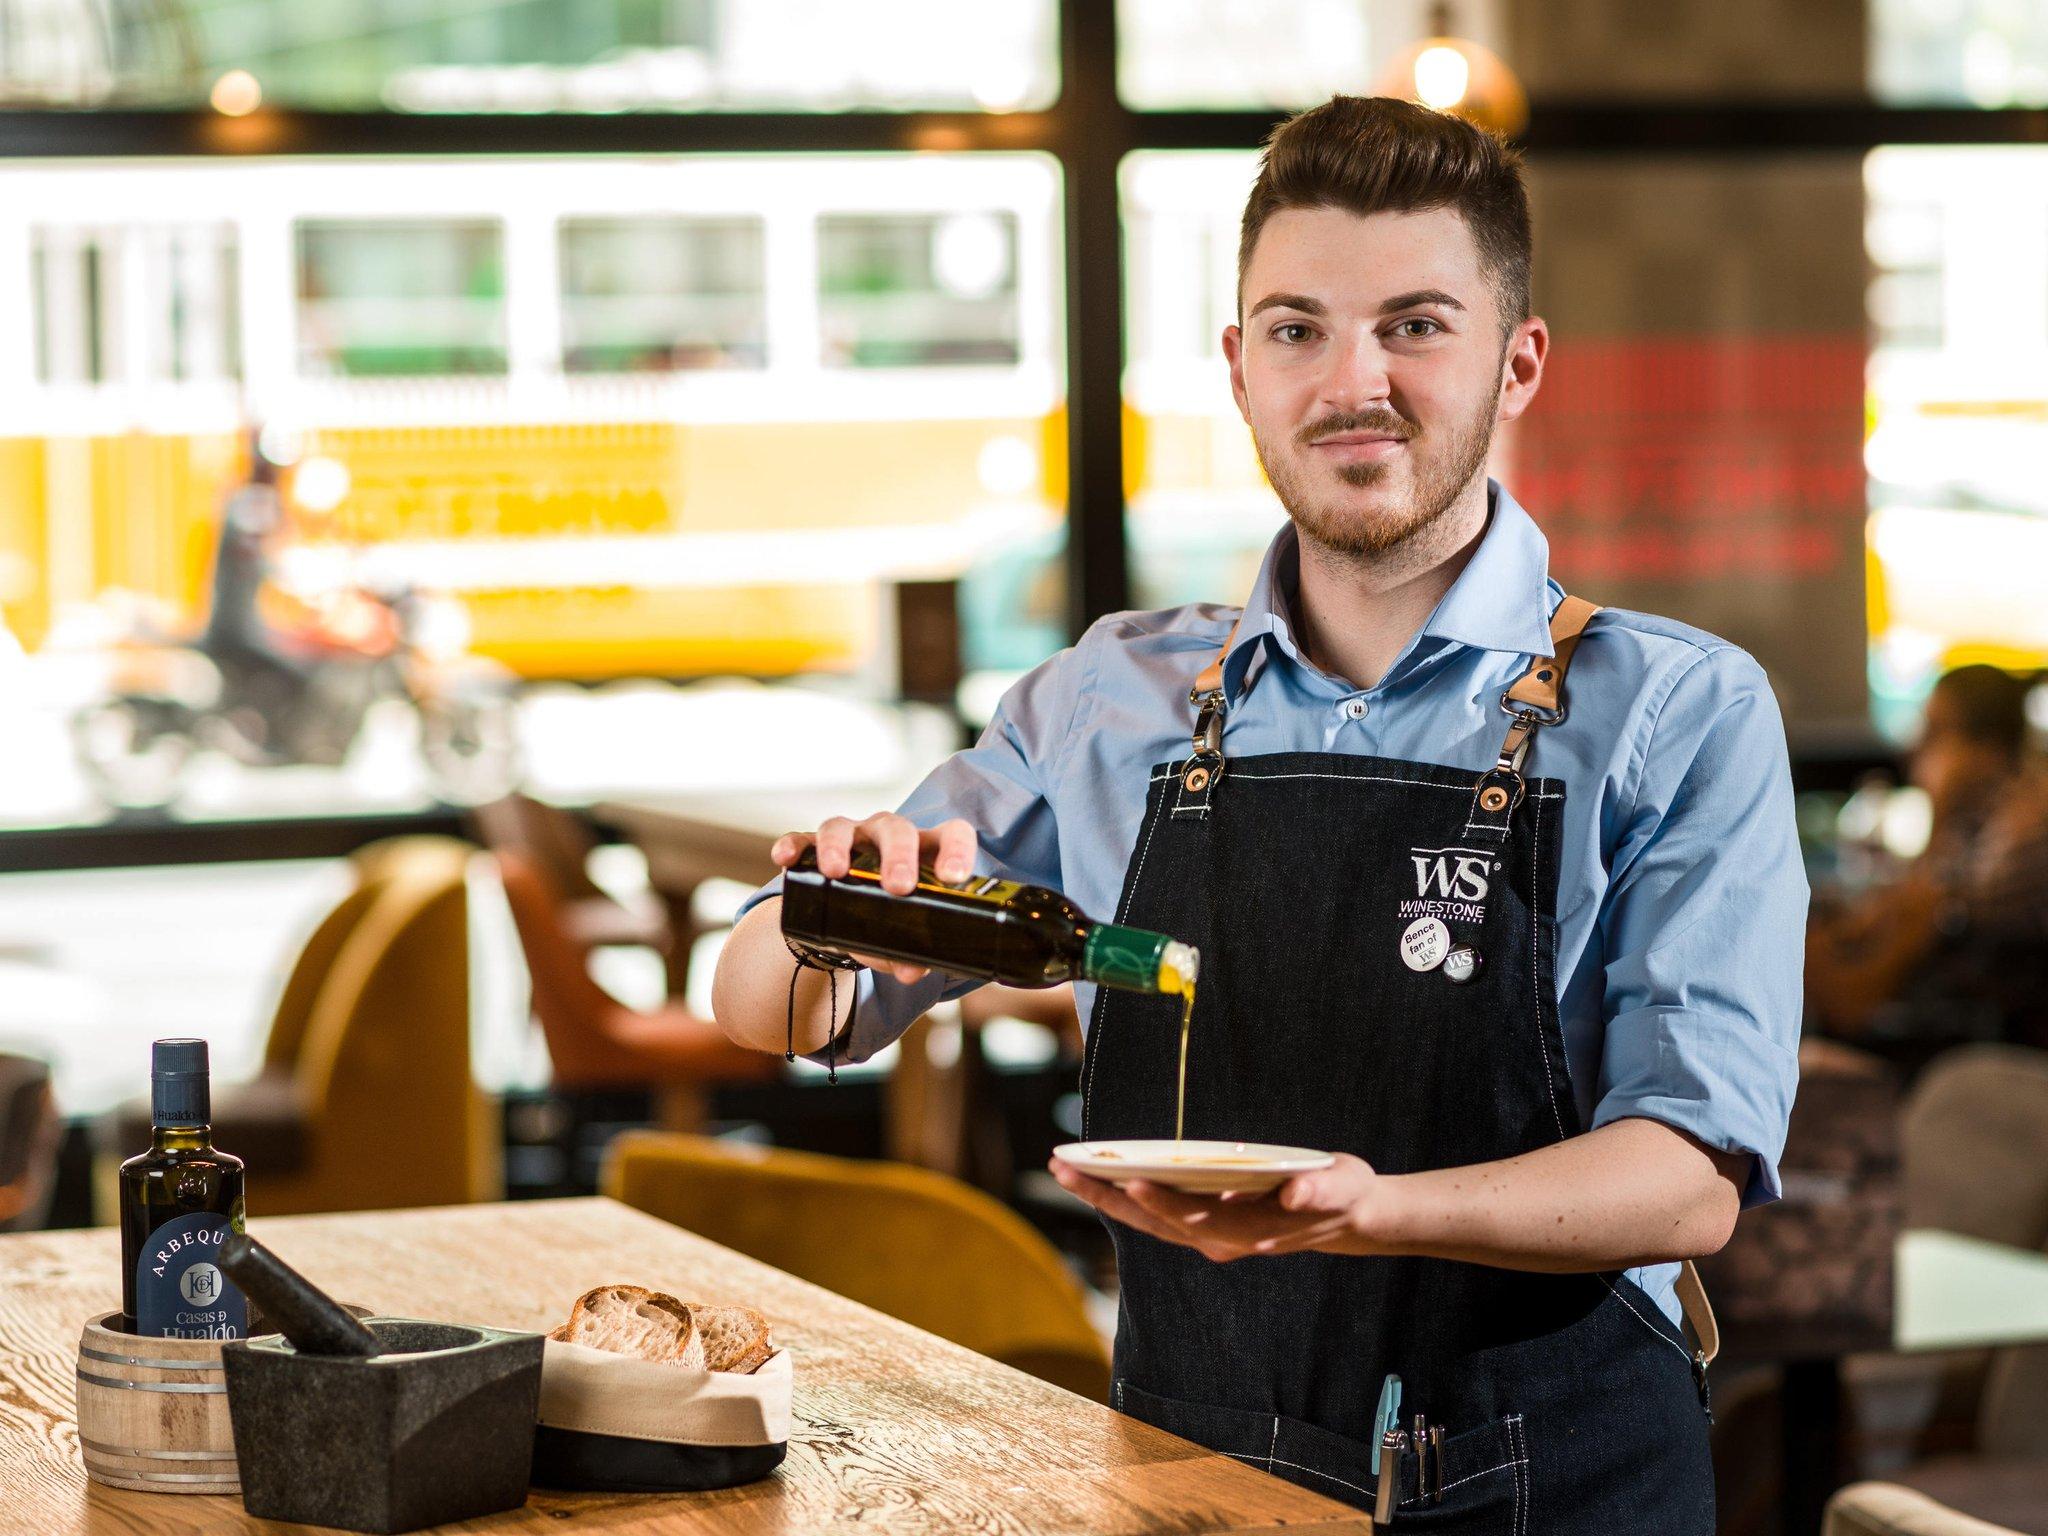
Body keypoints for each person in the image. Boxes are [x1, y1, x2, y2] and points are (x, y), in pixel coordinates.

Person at [713, 96, 1804, 1532]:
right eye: (1298, 330)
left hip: (1562, 1485)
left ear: (1517, 361)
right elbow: (774, 1008)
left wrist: (1370, 1212)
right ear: (1240, 368)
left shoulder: (1675, 710)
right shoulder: (1106, 698)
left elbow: (1684, 1183)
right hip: (1188, 1476)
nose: (1355, 381)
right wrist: (833, 915)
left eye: (1415, 326)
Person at [1807, 664, 2048, 1067]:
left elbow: (1850, 1004)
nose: (1914, 747)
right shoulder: (1975, 826)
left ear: (1986, 750)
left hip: (1978, 1061)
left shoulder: (2019, 838)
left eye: (1934, 732)